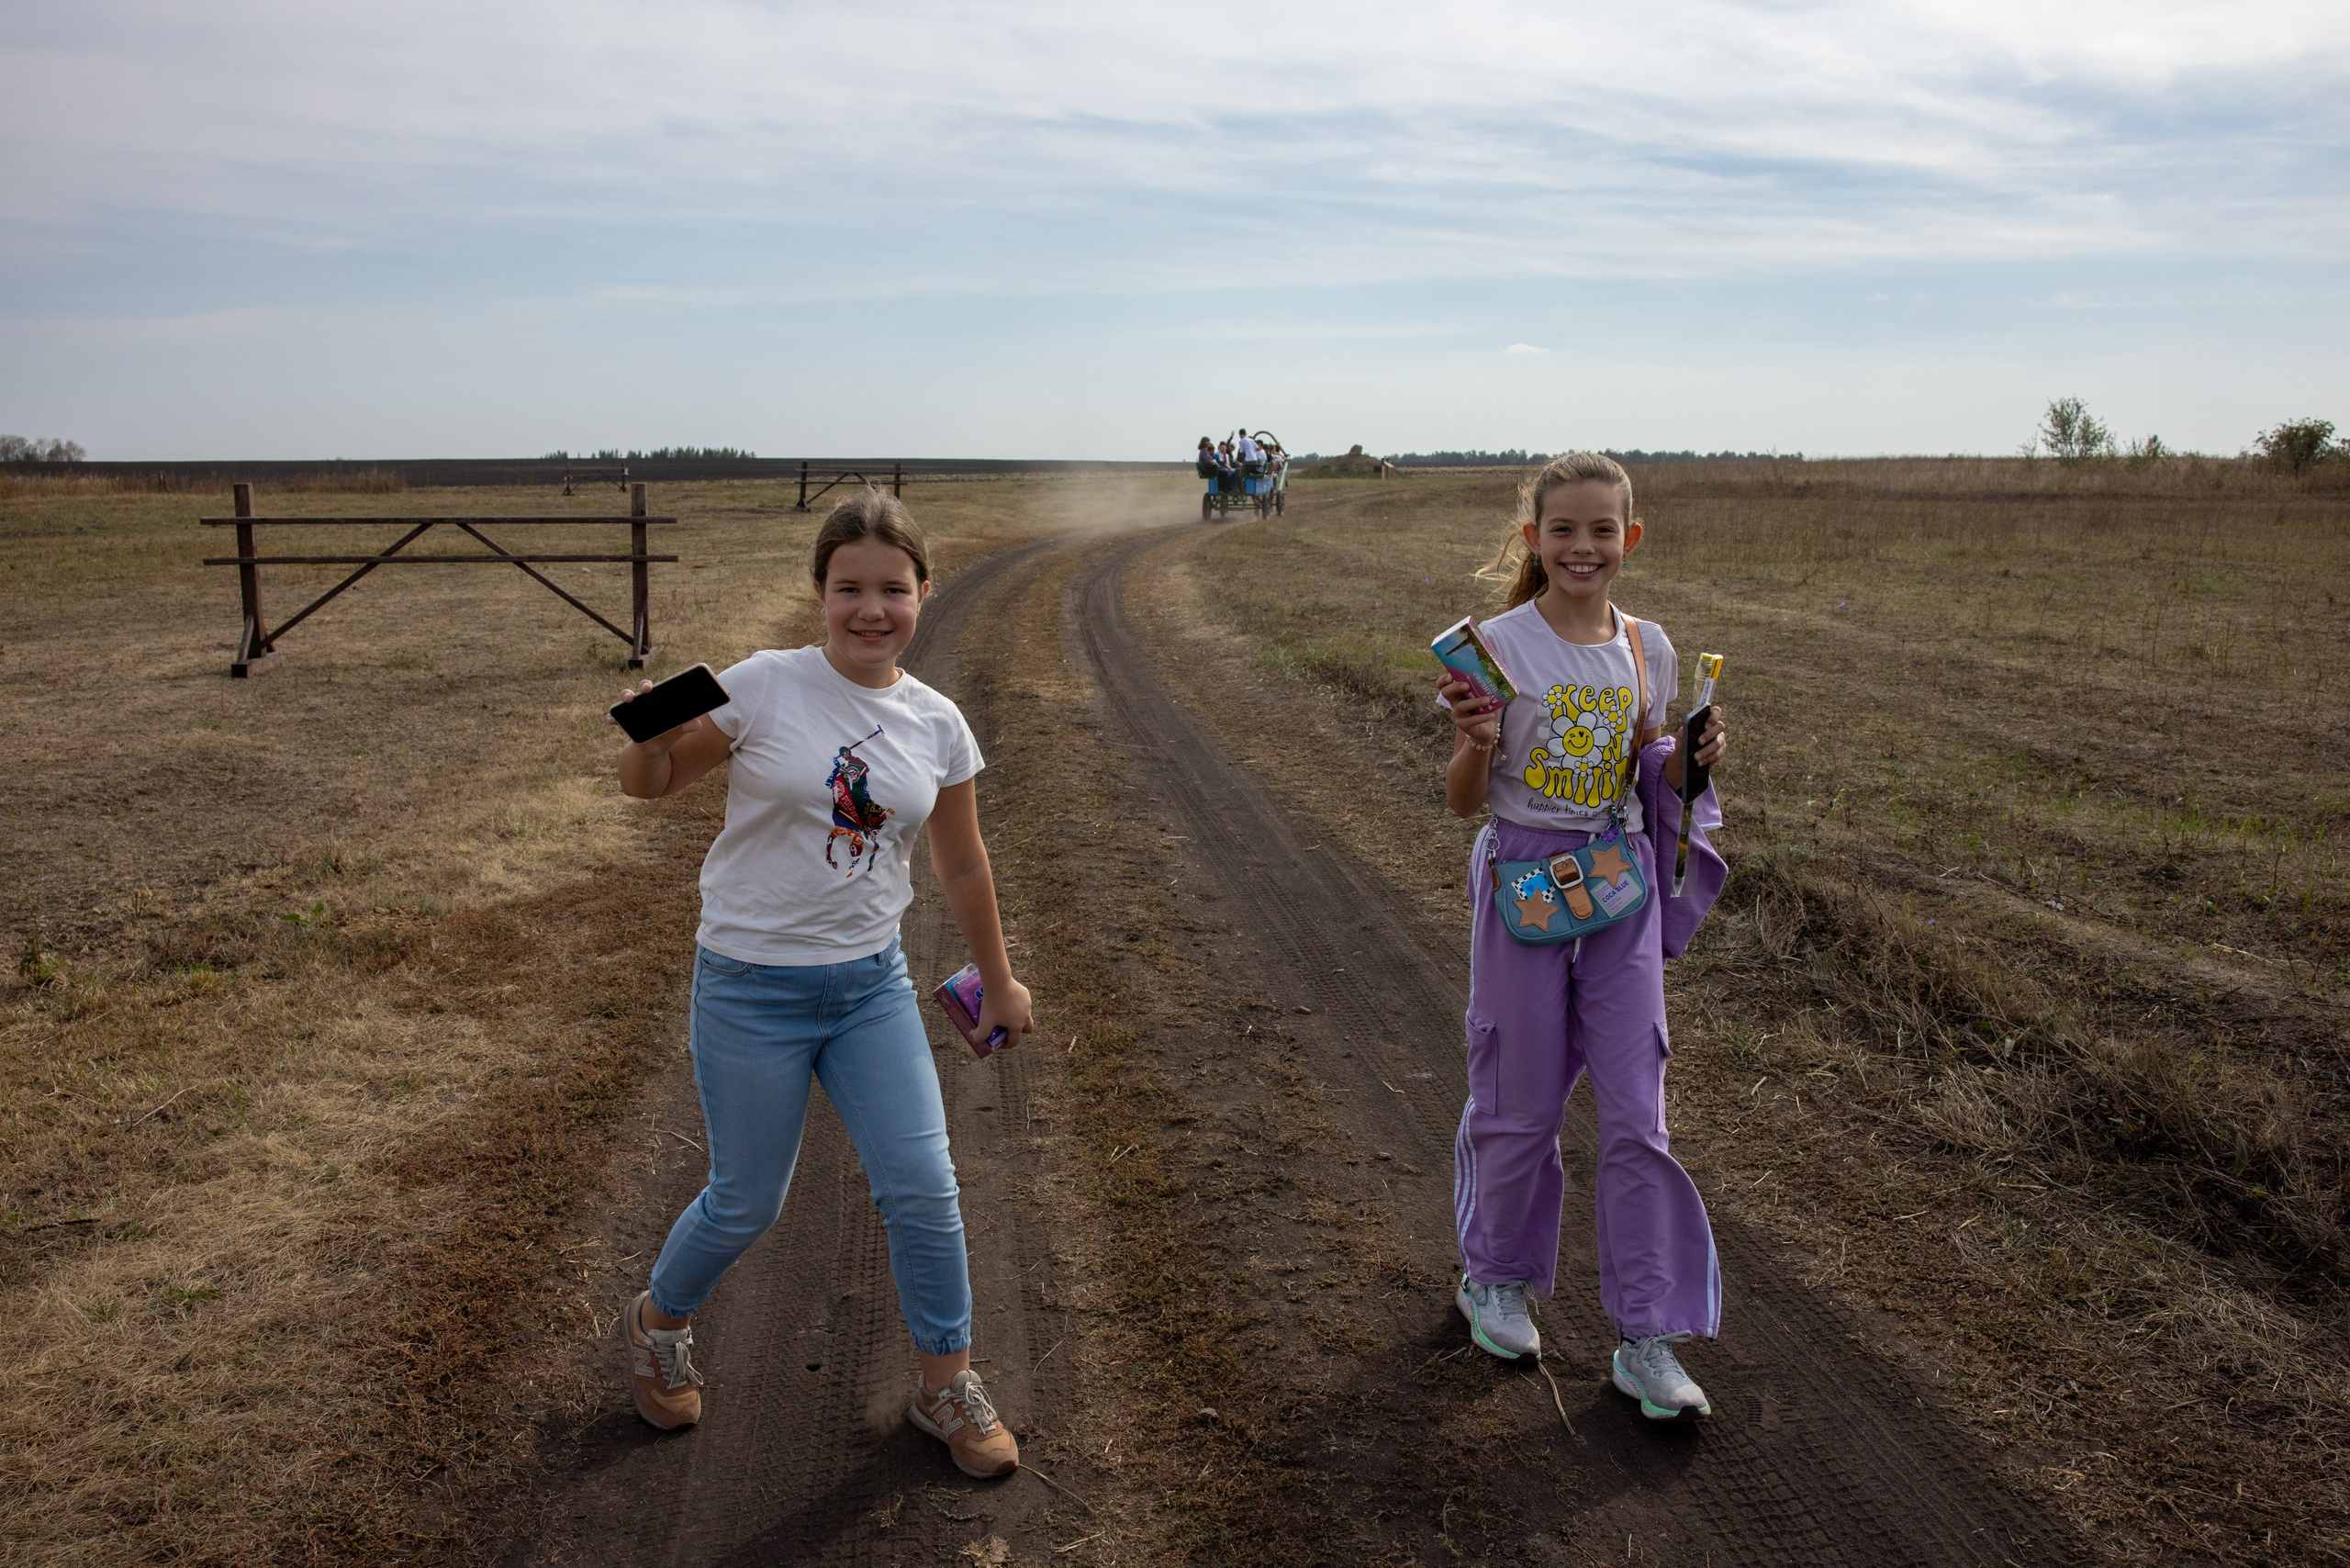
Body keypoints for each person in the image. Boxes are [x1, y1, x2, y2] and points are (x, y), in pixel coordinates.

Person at [609, 488, 1036, 1477]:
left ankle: (945, 1387)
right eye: (850, 589)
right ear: (820, 592)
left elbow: (962, 862)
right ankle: (658, 1323)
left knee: (925, 1187)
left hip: (869, 991)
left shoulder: (938, 723)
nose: (871, 610)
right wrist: (647, 741)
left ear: (923, 592)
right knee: (746, 1202)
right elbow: (653, 785)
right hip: (748, 988)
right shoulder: (763, 685)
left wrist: (1002, 979)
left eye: (893, 589)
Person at [1436, 452, 1730, 1421]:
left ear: (1628, 539)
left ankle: (1647, 1337)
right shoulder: (1493, 647)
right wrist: (1477, 742)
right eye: (1562, 529)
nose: (1582, 547)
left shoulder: (1649, 647)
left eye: (1602, 529)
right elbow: (1462, 800)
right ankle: (1493, 1279)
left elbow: (1649, 773)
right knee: (1518, 1100)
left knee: (1638, 1114)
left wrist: (1688, 760)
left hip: (1619, 888)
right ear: (1534, 538)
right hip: (1522, 881)